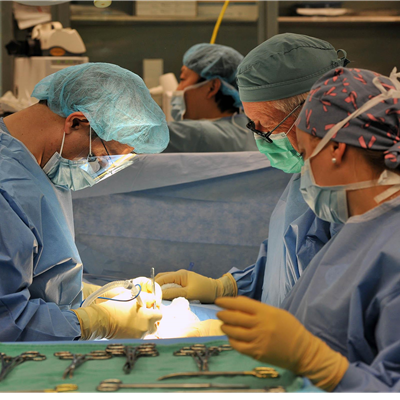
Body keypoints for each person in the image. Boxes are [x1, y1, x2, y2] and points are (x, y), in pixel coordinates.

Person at [217, 67, 400, 393]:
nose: (304, 174)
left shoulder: (391, 248)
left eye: (304, 154)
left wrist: (323, 367)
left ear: (336, 149)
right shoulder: (357, 228)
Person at [157, 33, 350, 308]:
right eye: (252, 125)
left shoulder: (353, 194)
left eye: (265, 126)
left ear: (310, 115)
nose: (259, 137)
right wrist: (226, 286)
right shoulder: (308, 178)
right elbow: (286, 263)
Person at [0, 62, 168, 341]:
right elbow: (6, 320)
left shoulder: (43, 167)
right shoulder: (6, 185)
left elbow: (37, 277)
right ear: (75, 122)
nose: (99, 170)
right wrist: (97, 321)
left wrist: (96, 295)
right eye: (104, 157)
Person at [163, 43, 258, 152]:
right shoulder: (251, 131)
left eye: (182, 79)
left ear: (212, 87)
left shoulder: (199, 134)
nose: (178, 90)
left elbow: (144, 136)